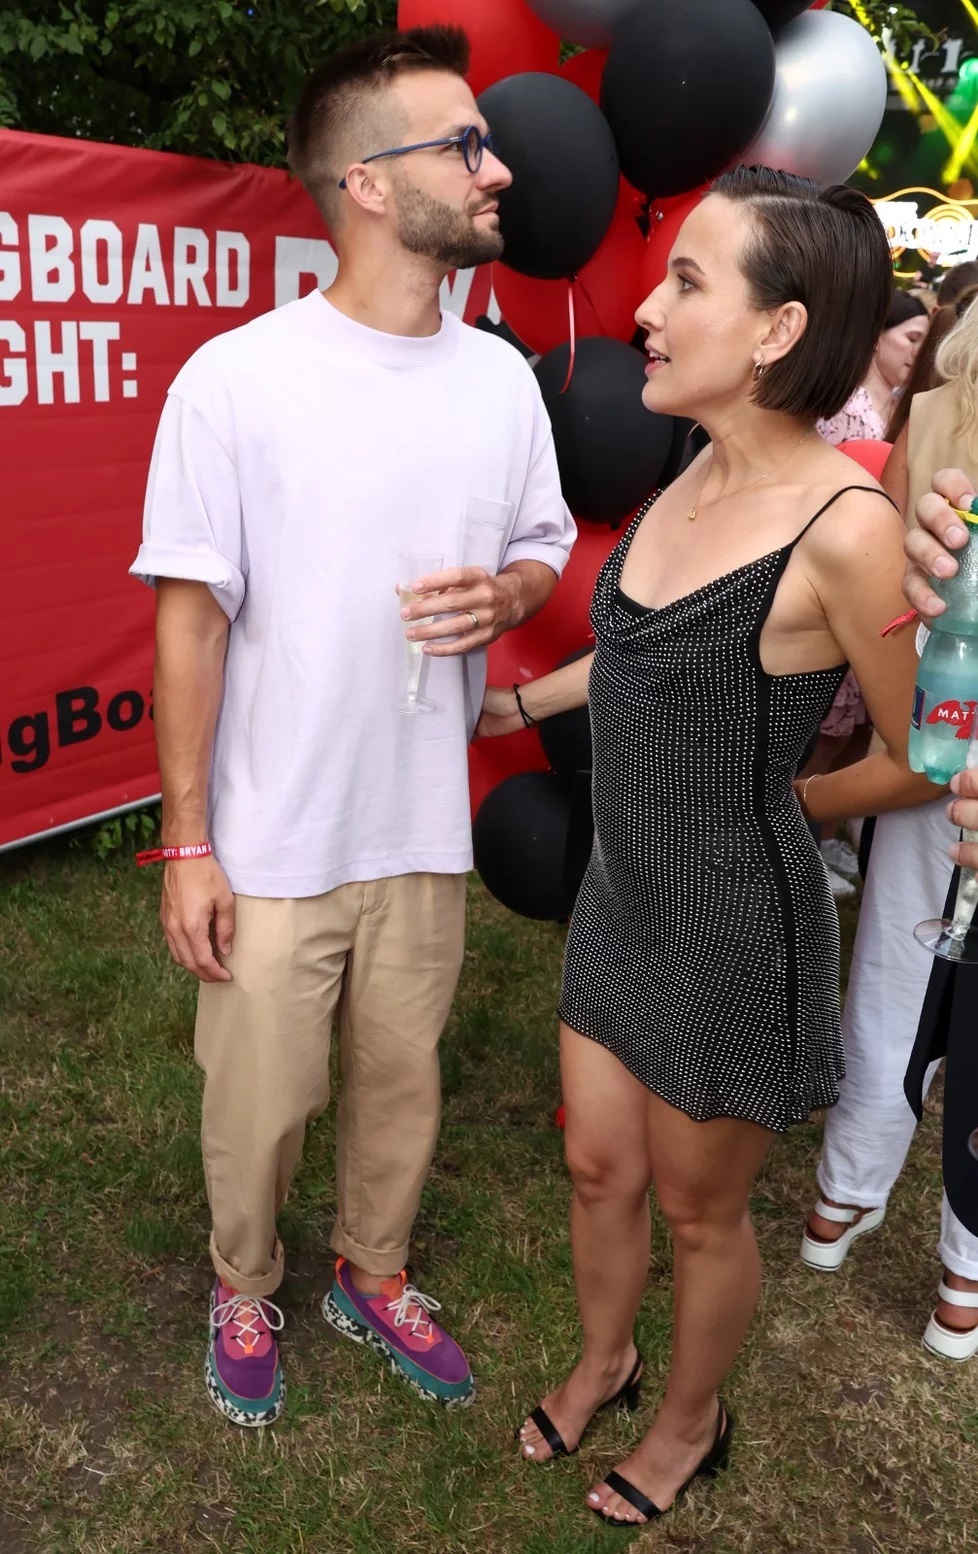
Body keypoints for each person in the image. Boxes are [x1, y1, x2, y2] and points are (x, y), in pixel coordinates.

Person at [479, 166, 939, 1528]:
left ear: (779, 330)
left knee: (697, 1212)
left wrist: (782, 804)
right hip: (618, 897)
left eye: (687, 281)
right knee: (595, 1166)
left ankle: (691, 1420)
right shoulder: (686, 472)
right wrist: (521, 702)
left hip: (734, 929)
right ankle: (605, 1359)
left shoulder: (845, 528)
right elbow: (640, 653)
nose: (645, 309)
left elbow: (922, 754)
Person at [129, 25, 575, 1428]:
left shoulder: (498, 377)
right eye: (465, 145)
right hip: (274, 829)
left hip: (422, 824)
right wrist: (188, 842)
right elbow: (191, 622)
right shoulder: (237, 379)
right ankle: (243, 1279)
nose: (498, 169)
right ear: (368, 184)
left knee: (401, 1081)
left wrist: (508, 591)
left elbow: (542, 544)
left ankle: (372, 1270)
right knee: (257, 1100)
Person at [799, 293, 978, 1359]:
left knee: (895, 960)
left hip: (938, 718)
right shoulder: (937, 406)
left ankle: (843, 1197)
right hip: (937, 721)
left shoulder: (940, 406)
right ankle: (966, 1272)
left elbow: (893, 595)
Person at [816, 289, 928, 446]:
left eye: (924, 345)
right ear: (877, 336)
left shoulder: (907, 412)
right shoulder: (844, 406)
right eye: (912, 339)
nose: (919, 352)